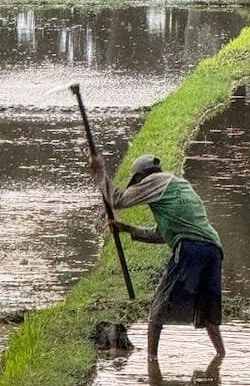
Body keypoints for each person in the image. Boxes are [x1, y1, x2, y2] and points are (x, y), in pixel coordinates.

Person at [90, 152, 225, 361]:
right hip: (213, 249)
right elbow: (162, 235)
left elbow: (117, 200)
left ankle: (151, 362)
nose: (138, 187)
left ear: (141, 176)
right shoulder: (179, 185)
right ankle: (221, 355)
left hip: (190, 248)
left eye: (137, 183)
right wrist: (128, 228)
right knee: (208, 313)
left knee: (157, 310)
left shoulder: (153, 181)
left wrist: (100, 173)